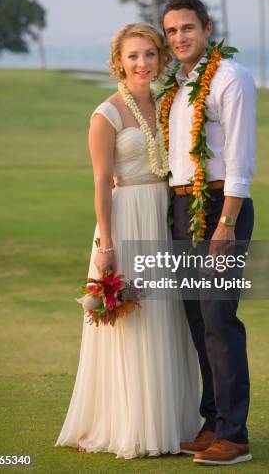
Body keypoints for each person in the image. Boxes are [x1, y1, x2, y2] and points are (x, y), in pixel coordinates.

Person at [55, 23, 201, 459]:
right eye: (133, 55)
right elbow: (101, 183)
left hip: (164, 215)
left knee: (168, 318)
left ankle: (172, 422)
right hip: (127, 220)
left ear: (160, 58)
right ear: (119, 61)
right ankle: (130, 425)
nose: (142, 63)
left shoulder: (168, 104)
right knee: (133, 321)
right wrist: (107, 245)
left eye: (150, 54)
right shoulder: (107, 114)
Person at [161, 0, 256, 466]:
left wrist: (226, 223)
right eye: (172, 30)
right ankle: (212, 421)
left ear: (207, 28)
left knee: (220, 319)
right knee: (198, 321)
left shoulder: (230, 78)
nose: (179, 38)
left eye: (187, 28)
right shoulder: (178, 87)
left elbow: (240, 159)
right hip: (184, 205)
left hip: (220, 205)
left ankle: (234, 436)